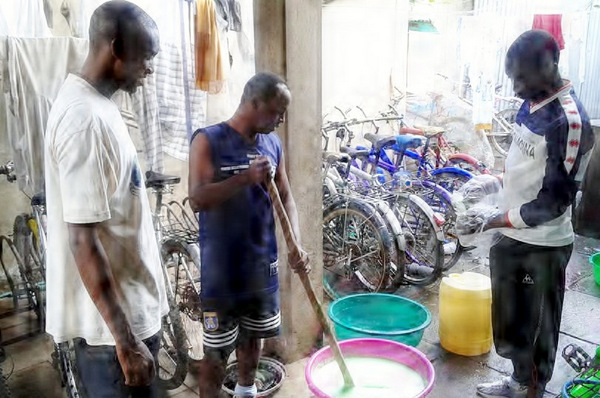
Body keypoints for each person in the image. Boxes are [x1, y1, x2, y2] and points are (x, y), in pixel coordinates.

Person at [43, 1, 168, 396]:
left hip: (125, 324)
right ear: (116, 48)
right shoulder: (84, 120)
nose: (150, 69)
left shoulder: (100, 106)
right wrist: (126, 342)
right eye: (145, 57)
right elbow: (83, 238)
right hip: (112, 339)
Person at [469, 30, 594, 398]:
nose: (516, 86)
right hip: (513, 234)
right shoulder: (532, 101)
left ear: (549, 66)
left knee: (537, 328)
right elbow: (525, 165)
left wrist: (494, 219)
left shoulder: (568, 121)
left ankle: (531, 389)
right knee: (508, 321)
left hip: (544, 244)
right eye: (512, 78)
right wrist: (491, 184)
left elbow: (554, 201)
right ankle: (517, 379)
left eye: (521, 77)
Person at [188, 72, 311, 398]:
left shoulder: (272, 144)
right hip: (222, 275)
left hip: (261, 268)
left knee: (253, 342)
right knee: (215, 357)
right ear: (253, 103)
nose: (281, 120)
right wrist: (244, 178)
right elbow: (197, 199)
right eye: (276, 111)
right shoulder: (208, 140)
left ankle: (246, 390)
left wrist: (295, 243)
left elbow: (285, 198)